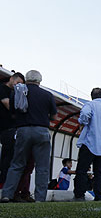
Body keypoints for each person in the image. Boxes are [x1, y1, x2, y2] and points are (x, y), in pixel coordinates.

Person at [0, 70, 57, 203]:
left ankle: (7, 194)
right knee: (42, 167)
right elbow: (54, 117)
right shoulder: (47, 95)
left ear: (26, 79)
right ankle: (40, 198)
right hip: (42, 131)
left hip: (23, 130)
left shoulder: (17, 92)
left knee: (17, 164)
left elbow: (13, 111)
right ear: (39, 81)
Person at [0, 72, 25, 187]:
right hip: (5, 127)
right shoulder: (2, 89)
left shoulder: (15, 93)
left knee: (9, 155)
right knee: (6, 155)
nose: (18, 85)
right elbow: (8, 105)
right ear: (11, 79)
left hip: (11, 128)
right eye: (17, 82)